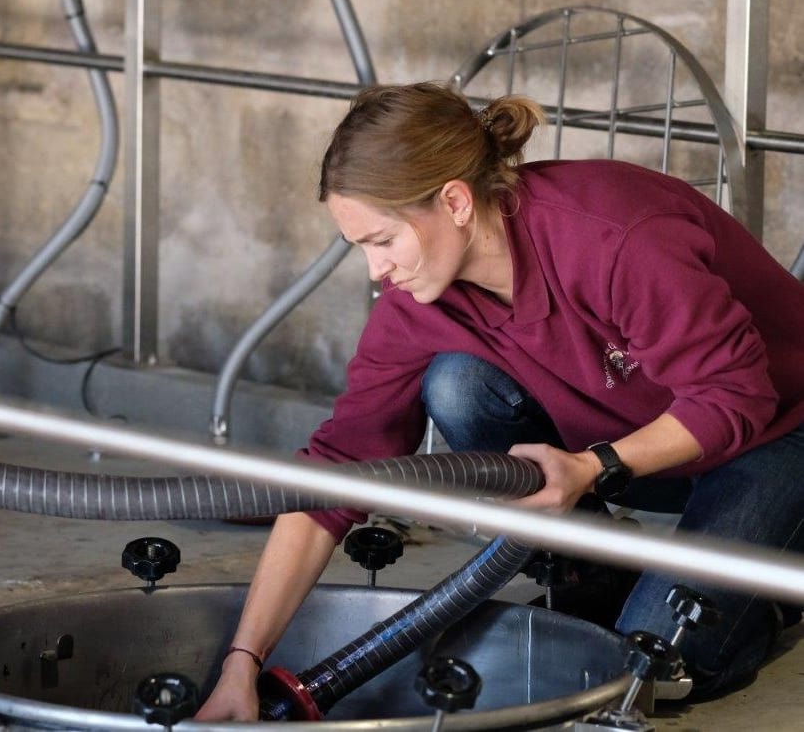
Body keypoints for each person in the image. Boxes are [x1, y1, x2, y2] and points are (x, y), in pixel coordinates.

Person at [196, 82, 804, 721]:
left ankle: (777, 583)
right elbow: (338, 471)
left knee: (654, 666)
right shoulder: (418, 300)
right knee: (457, 382)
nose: (376, 271)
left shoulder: (613, 238)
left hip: (777, 432)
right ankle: (588, 568)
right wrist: (244, 662)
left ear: (454, 201)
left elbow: (736, 395)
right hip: (650, 448)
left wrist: (593, 467)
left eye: (383, 240)